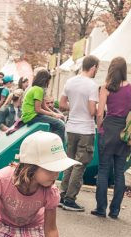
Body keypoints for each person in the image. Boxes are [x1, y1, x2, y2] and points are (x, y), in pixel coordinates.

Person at [92, 57, 131, 219]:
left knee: (103, 169)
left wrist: (100, 128)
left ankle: (101, 208)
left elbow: (99, 113)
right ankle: (115, 210)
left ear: (111, 69)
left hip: (109, 129)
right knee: (119, 172)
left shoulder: (106, 88)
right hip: (124, 133)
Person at [58, 55, 99, 212]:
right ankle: (70, 199)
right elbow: (91, 110)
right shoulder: (92, 85)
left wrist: (74, 107)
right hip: (85, 129)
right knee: (80, 164)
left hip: (71, 127)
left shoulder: (70, 81)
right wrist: (100, 108)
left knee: (69, 161)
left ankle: (62, 194)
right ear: (93, 67)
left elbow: (62, 104)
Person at [21, 68, 66, 143]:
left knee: (57, 121)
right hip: (32, 117)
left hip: (30, 116)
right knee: (60, 125)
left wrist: (54, 114)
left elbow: (44, 106)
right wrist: (53, 114)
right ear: (45, 80)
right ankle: (58, 147)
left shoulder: (36, 89)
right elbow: (38, 109)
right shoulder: (38, 90)